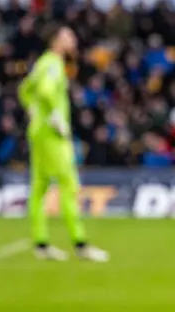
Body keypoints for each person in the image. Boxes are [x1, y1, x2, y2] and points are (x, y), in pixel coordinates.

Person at [17, 23, 109, 262]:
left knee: (39, 187)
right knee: (69, 184)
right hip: (52, 135)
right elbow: (46, 91)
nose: (74, 39)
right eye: (69, 35)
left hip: (38, 131)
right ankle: (80, 244)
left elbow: (25, 90)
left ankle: (41, 243)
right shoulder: (53, 64)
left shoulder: (42, 63)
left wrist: (33, 111)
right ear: (56, 40)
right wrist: (54, 117)